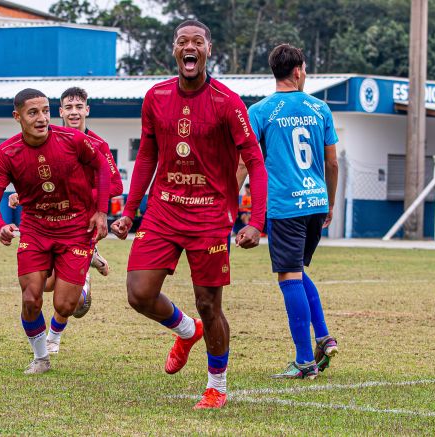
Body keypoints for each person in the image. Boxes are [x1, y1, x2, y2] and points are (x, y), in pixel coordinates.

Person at [110, 20, 267, 409]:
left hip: (210, 215)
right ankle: (185, 330)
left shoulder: (228, 103)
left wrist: (256, 223)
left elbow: (255, 162)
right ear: (175, 50)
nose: (190, 47)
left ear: (208, 50)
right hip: (163, 210)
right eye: (183, 41)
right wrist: (131, 211)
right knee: (139, 294)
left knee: (209, 304)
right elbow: (147, 154)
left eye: (198, 41)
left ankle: (217, 385)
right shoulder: (156, 97)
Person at [0, 88, 110, 375]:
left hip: (75, 229)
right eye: (33, 113)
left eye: (46, 111)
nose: (42, 118)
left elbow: (102, 167)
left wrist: (101, 212)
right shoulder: (7, 152)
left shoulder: (74, 140)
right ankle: (41, 358)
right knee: (31, 298)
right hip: (36, 230)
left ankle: (83, 279)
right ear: (17, 117)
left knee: (65, 306)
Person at [8, 86, 123, 354]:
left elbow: (115, 183)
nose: (74, 112)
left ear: (87, 110)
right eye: (68, 108)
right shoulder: (49, 140)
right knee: (45, 286)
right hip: (47, 223)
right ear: (59, 112)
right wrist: (22, 194)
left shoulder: (98, 145)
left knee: (65, 299)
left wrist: (81, 196)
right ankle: (87, 269)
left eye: (78, 107)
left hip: (82, 221)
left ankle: (55, 336)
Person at [248, 44, 339, 380]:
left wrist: (230, 199)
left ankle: (304, 362)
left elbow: (248, 160)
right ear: (298, 70)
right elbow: (332, 162)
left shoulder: (260, 111)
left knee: (288, 277)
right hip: (316, 202)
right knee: (297, 271)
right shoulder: (320, 109)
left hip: (285, 206)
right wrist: (329, 201)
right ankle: (324, 337)